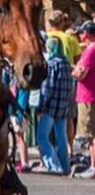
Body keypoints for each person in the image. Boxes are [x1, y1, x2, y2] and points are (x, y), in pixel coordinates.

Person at [37, 37, 73, 174]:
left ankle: (53, 165)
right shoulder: (66, 63)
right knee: (61, 137)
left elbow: (48, 87)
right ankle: (65, 165)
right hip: (63, 106)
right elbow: (71, 87)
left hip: (50, 107)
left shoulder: (51, 64)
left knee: (42, 136)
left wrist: (42, 104)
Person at [72, 20, 95, 178]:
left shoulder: (91, 50)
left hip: (88, 96)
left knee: (91, 134)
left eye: (81, 32)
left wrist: (73, 70)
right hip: (90, 94)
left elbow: (81, 74)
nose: (80, 35)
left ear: (87, 33)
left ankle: (93, 166)